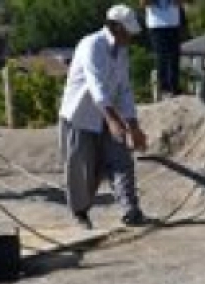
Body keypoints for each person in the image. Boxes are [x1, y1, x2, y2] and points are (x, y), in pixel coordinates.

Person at [58, 4, 147, 229]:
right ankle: (80, 213)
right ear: (115, 27)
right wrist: (114, 121)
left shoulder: (122, 51)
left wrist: (133, 126)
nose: (131, 37)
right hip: (81, 116)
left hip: (109, 116)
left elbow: (124, 90)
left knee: (121, 159)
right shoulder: (92, 45)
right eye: (128, 31)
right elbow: (96, 86)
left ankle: (130, 210)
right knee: (81, 169)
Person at [142, 0, 184, 98]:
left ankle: (175, 87)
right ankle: (164, 88)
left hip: (173, 23)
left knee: (175, 56)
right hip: (157, 25)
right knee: (162, 57)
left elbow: (181, 3)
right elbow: (143, 3)